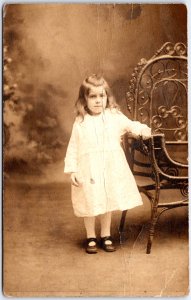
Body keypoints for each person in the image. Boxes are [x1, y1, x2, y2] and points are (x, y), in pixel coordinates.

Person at [64, 74, 151, 254]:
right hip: (88, 169)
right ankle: (90, 236)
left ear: (107, 97)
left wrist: (142, 130)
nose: (98, 101)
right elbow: (73, 146)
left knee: (107, 200)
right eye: (93, 96)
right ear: (84, 99)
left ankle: (105, 235)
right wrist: (72, 169)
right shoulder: (81, 122)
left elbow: (130, 125)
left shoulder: (113, 116)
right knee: (90, 201)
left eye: (101, 96)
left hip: (110, 168)